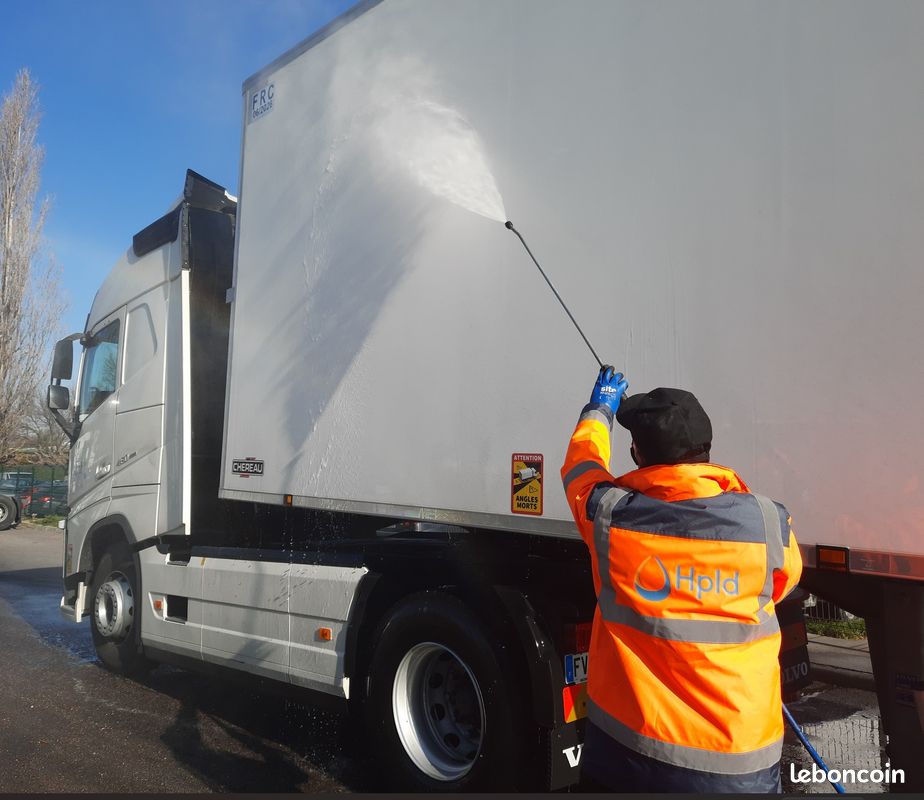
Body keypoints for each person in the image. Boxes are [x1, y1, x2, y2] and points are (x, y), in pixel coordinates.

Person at [560, 366, 802, 793]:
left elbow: (581, 468)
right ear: (705, 448)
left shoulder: (611, 519)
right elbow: (780, 586)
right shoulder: (767, 524)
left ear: (636, 452)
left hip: (634, 759)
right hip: (744, 766)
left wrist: (599, 409)